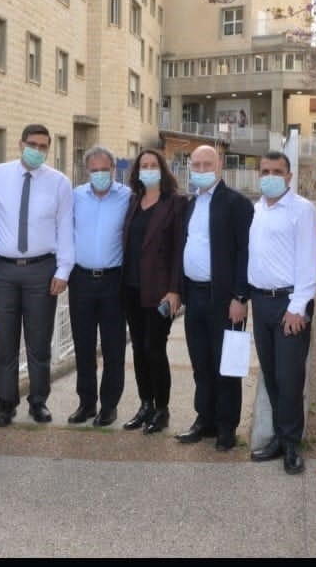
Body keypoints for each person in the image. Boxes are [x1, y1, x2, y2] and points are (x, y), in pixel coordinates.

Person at [0, 124, 74, 426]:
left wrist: (63, 270)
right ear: (20, 144)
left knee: (39, 342)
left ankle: (38, 401)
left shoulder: (59, 183)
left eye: (43, 146)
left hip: (42, 270)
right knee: (6, 341)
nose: (37, 150)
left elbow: (65, 229)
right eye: (32, 144)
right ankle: (6, 403)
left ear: (49, 149)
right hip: (3, 271)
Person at [177, 144, 254, 451]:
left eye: (207, 164)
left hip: (225, 299)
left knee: (227, 366)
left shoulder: (237, 204)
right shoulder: (191, 204)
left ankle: (226, 427)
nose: (201, 170)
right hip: (194, 296)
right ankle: (204, 419)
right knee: (201, 363)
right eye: (196, 165)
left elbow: (245, 252)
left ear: (219, 165)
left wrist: (240, 296)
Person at [246, 151, 316, 475]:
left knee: (290, 378)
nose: (270, 177)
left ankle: (291, 445)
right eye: (265, 171)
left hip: (290, 304)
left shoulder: (302, 210)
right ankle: (278, 436)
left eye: (277, 171)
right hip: (260, 302)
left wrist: (297, 308)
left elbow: (308, 261)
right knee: (272, 374)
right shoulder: (256, 209)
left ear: (289, 177)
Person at [120, 149, 185, 434]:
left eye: (152, 165)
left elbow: (179, 249)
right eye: (143, 165)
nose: (148, 169)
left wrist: (174, 290)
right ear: (137, 171)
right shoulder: (133, 201)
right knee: (138, 348)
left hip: (160, 291)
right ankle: (145, 404)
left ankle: (162, 409)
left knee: (154, 349)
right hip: (132, 287)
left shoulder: (176, 203)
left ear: (162, 169)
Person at [68, 146, 132, 427]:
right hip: (81, 279)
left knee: (113, 347)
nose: (100, 175)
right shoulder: (75, 196)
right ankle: (86, 403)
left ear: (114, 169)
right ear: (87, 171)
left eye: (105, 169)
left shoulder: (127, 197)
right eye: (94, 170)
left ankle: (109, 405)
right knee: (83, 345)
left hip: (113, 281)